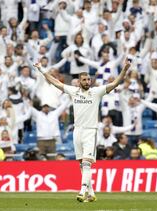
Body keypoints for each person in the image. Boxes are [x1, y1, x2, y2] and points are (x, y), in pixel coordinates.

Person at [33, 59, 131, 202]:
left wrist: (125, 69)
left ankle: (82, 190)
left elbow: (115, 83)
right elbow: (55, 82)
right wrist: (41, 69)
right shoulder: (73, 91)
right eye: (84, 80)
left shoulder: (97, 92)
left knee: (86, 163)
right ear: (79, 82)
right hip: (77, 131)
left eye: (88, 79)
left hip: (90, 131)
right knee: (81, 164)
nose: (87, 82)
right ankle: (91, 193)